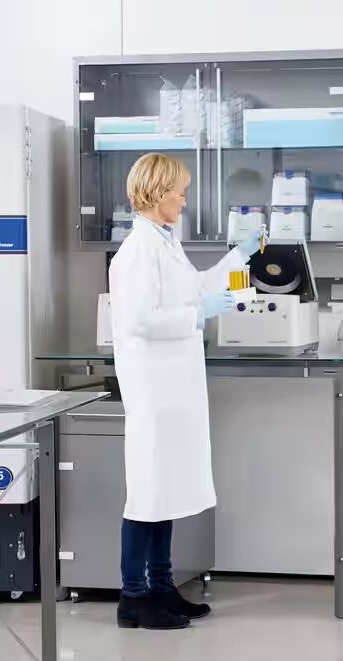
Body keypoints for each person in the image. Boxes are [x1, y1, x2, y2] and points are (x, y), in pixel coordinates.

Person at [108, 153, 263, 630]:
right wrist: (199, 313)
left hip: (174, 388)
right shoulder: (137, 250)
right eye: (180, 191)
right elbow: (140, 320)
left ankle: (161, 587)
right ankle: (133, 597)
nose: (185, 198)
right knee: (148, 494)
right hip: (154, 391)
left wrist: (238, 258)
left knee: (167, 491)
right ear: (156, 192)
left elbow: (193, 287)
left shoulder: (165, 242)